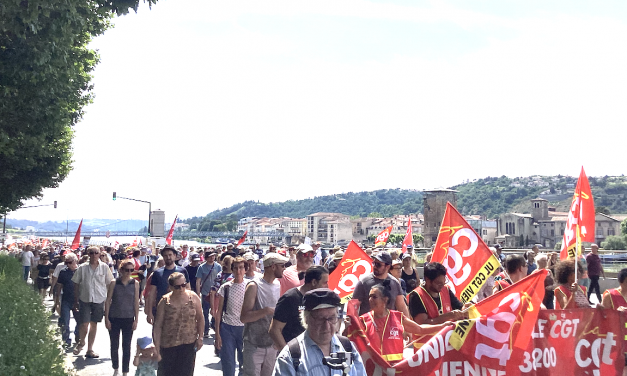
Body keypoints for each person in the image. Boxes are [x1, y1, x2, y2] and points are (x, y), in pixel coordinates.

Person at [272, 288, 367, 376]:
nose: (326, 326)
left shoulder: (347, 347)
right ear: (306, 319)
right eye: (320, 319)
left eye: (331, 318)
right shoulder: (291, 356)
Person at [356, 282, 451, 364]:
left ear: (385, 300)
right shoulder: (363, 320)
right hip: (374, 369)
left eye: (374, 297)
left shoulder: (397, 317)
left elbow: (419, 329)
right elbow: (351, 340)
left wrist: (442, 326)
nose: (370, 300)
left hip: (396, 370)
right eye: (369, 297)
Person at [240, 252, 287, 376]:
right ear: (273, 267)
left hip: (271, 346)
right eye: (282, 265)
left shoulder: (278, 284)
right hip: (254, 345)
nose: (284, 268)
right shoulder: (254, 286)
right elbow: (244, 317)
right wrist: (266, 311)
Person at [153, 272, 204, 376]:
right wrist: (157, 348)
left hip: (188, 344)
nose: (181, 289)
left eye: (183, 285)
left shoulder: (193, 297)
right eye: (177, 287)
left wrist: (200, 337)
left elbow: (200, 318)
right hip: (168, 345)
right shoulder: (164, 301)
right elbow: (158, 325)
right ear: (171, 287)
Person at [269, 266, 329, 351]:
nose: (327, 286)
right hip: (294, 352)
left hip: (312, 351)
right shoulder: (290, 298)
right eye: (325, 282)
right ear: (314, 282)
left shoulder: (319, 298)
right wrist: (289, 354)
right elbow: (274, 330)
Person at [72, 246, 115, 358]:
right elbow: (76, 283)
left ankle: (90, 349)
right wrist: (75, 299)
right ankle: (81, 342)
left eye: (96, 253)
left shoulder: (104, 267)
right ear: (88, 254)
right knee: (84, 323)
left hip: (99, 299)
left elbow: (110, 283)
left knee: (94, 324)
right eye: (92, 253)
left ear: (99, 254)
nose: (94, 255)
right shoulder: (82, 267)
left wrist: (109, 298)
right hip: (85, 298)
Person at [105, 259, 140, 376]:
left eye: (131, 270)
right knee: (114, 344)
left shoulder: (135, 283)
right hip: (114, 317)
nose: (128, 272)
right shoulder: (114, 282)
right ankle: (116, 368)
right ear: (121, 270)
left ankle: (125, 371)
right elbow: (108, 300)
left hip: (128, 318)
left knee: (127, 346)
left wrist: (136, 319)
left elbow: (136, 302)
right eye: (126, 270)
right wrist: (106, 318)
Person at [215, 256, 247, 376]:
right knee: (228, 362)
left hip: (244, 328)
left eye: (241, 268)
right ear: (232, 270)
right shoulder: (226, 287)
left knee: (244, 362)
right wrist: (217, 334)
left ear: (245, 270)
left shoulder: (250, 286)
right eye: (236, 268)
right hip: (227, 328)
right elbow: (219, 312)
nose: (238, 271)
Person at [352, 251, 409, 317]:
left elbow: (401, 307)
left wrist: (409, 325)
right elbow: (353, 307)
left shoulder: (395, 283)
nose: (375, 266)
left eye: (378, 264)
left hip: (389, 326)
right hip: (369, 325)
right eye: (374, 263)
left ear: (387, 267)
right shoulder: (363, 282)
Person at [145, 245, 189, 325]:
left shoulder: (182, 271)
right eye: (165, 255)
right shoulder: (157, 273)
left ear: (175, 256)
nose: (168, 257)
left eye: (170, 255)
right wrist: (149, 312)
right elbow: (151, 294)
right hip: (161, 309)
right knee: (159, 333)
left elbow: (188, 289)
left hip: (179, 308)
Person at [196, 249, 221, 337]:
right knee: (205, 312)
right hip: (205, 293)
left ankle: (214, 325)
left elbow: (221, 279)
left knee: (216, 311)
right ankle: (206, 330)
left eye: (213, 256)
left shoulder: (218, 266)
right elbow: (198, 280)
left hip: (216, 294)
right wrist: (198, 293)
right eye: (210, 256)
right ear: (206, 258)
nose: (212, 258)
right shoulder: (201, 267)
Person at [56, 253, 80, 348]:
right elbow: (59, 285)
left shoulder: (80, 271)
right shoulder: (63, 272)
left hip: (77, 300)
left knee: (80, 321)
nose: (69, 264)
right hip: (66, 299)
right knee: (65, 321)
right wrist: (57, 299)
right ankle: (66, 340)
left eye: (70, 262)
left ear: (75, 261)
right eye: (67, 263)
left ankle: (77, 334)